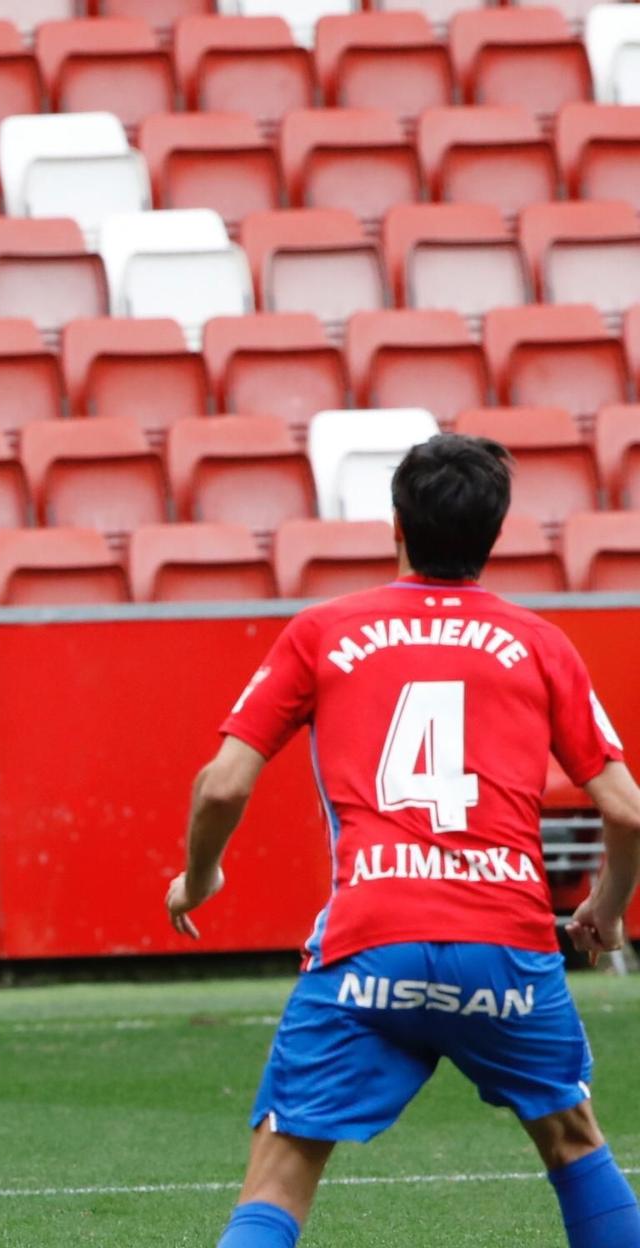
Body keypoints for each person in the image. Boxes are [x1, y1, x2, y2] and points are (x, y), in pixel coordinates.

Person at [166, 434, 640, 1248]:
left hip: (370, 941)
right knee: (572, 1138)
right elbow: (627, 812)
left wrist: (199, 876)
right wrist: (604, 907)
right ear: (493, 536)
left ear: (395, 526)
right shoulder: (541, 644)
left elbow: (222, 783)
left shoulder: (322, 631)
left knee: (282, 1169)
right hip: (506, 945)